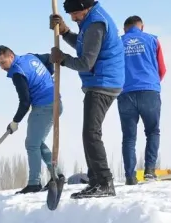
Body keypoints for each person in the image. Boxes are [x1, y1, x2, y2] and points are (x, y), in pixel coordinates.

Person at [50, 0, 125, 199]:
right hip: (100, 82)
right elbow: (84, 46)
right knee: (89, 133)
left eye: (75, 13)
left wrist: (63, 59)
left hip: (103, 82)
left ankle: (104, 182)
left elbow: (85, 62)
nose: (73, 18)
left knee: (91, 133)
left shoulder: (95, 24)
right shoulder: (90, 20)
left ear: (86, 7)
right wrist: (65, 33)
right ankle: (95, 181)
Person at [0, 45, 64, 194]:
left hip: (45, 107)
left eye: (3, 62)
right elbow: (49, 58)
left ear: (11, 56)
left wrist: (15, 121)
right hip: (55, 102)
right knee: (36, 142)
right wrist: (49, 74)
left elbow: (25, 101)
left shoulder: (18, 73)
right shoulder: (30, 57)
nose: (2, 67)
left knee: (31, 144)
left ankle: (34, 183)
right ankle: (57, 174)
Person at [118, 15, 167, 185]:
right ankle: (149, 172)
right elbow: (162, 69)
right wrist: (151, 83)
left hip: (125, 93)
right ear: (142, 27)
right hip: (149, 91)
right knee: (152, 131)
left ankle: (130, 176)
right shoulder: (153, 40)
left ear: (125, 29)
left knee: (129, 137)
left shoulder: (117, 42)